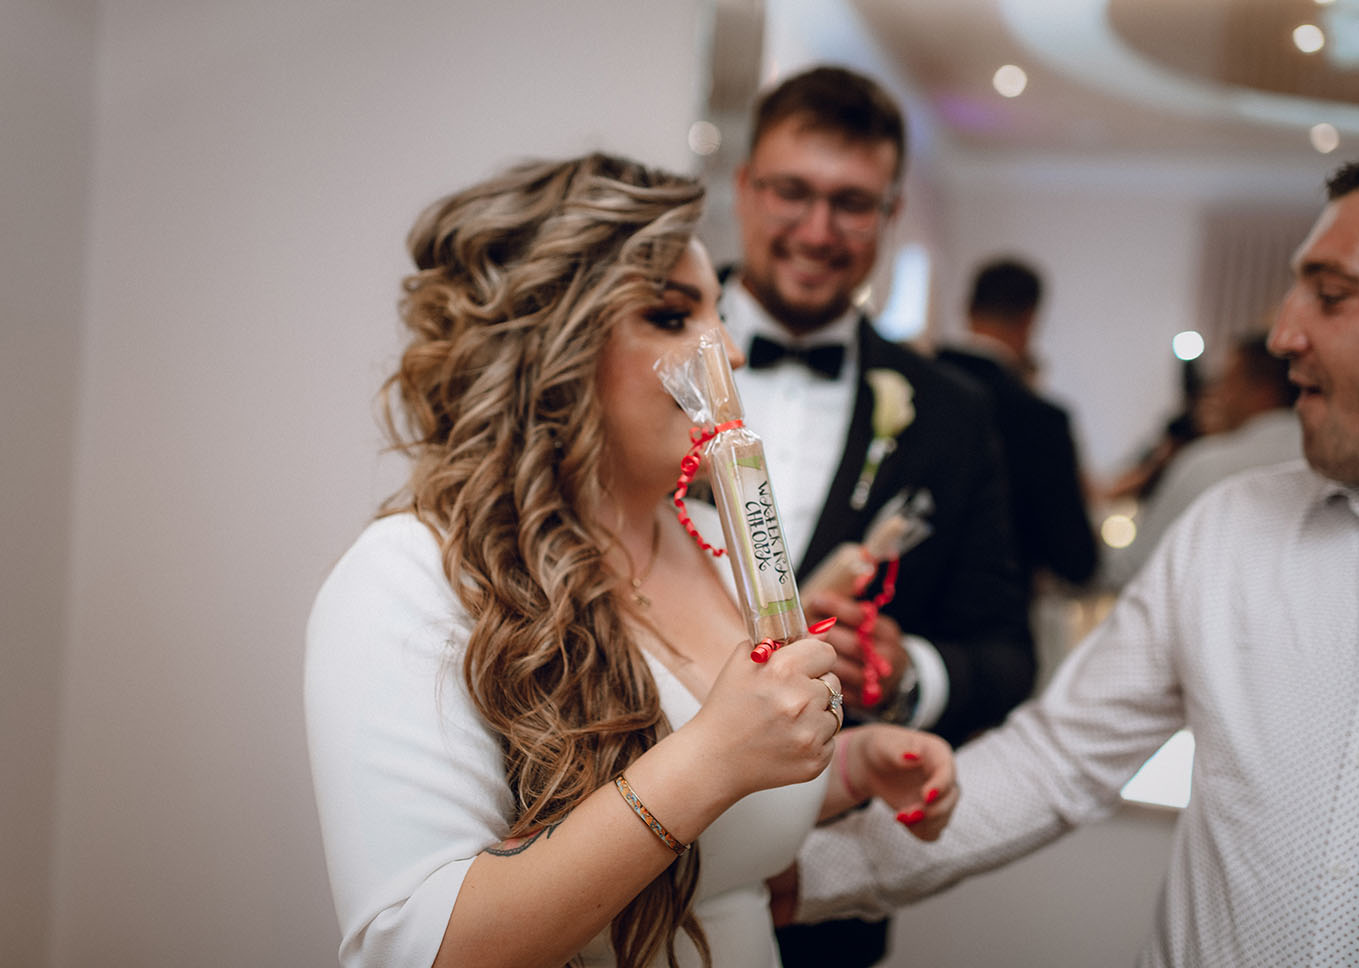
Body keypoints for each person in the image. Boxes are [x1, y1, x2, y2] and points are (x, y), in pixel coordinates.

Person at [783, 141, 1359, 965]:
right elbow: (1055, 760)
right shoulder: (1231, 526)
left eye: (1333, 296)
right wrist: (800, 876)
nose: (1284, 334)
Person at [303, 153, 959, 968]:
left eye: (719, 314)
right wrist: (710, 759)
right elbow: (414, 950)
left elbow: (727, 811)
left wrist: (850, 767)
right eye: (672, 316)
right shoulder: (411, 575)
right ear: (551, 348)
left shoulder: (715, 537)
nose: (729, 354)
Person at [718, 65, 1035, 967]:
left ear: (890, 214)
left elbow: (1006, 653)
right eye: (792, 191)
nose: (818, 231)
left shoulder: (951, 414)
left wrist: (903, 677)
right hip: (610, 852)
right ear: (744, 188)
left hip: (818, 897)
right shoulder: (635, 354)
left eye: (852, 204)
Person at [938, 257, 1098, 589]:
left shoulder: (914, 385)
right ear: (1029, 319)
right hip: (994, 608)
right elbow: (1075, 559)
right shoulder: (1042, 420)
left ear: (967, 308)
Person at [1102, 330, 1302, 587]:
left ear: (1263, 389)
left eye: (1227, 382)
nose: (1218, 396)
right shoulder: (1326, 466)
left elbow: (1134, 569)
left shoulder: (1209, 465)